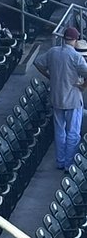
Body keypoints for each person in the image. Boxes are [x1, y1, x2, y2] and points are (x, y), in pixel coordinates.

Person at [34, 26, 87, 171]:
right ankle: (69, 164)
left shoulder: (53, 52)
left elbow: (37, 63)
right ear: (75, 40)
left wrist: (50, 77)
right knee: (73, 133)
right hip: (73, 99)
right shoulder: (76, 56)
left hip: (57, 98)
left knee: (59, 131)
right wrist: (83, 86)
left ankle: (60, 161)